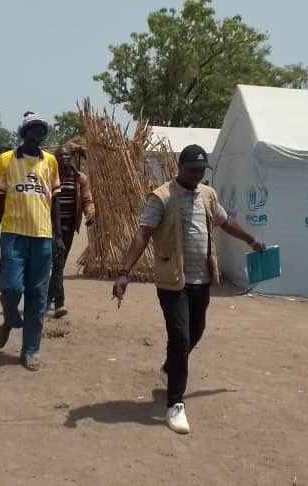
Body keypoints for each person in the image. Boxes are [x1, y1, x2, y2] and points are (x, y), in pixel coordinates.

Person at [112, 144, 266, 434]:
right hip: (172, 280)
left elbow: (225, 222)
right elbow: (143, 232)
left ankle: (171, 368)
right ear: (179, 167)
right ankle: (175, 403)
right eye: (193, 170)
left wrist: (251, 239)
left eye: (201, 171)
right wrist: (123, 272)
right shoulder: (162, 197)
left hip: (201, 279)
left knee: (195, 332)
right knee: (180, 337)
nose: (197, 176)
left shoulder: (208, 195)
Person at [0, 112, 62, 371]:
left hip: (42, 237)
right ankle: (10, 319)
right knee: (11, 288)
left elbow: (54, 201)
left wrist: (58, 235)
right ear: (23, 132)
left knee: (38, 296)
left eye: (43, 129)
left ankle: (31, 350)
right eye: (34, 128)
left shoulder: (50, 162)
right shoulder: (6, 160)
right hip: (13, 234)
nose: (39, 133)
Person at [48, 146, 96, 318]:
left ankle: (46, 300)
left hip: (68, 227)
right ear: (55, 158)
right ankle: (59, 303)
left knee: (58, 262)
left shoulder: (79, 178)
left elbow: (87, 199)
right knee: (56, 262)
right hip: (49, 226)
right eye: (61, 155)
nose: (65, 158)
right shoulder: (49, 176)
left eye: (67, 155)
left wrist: (90, 212)